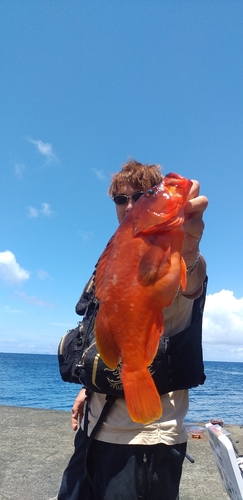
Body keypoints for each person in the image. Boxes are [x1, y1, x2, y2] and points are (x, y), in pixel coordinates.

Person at [58, 159, 208, 500]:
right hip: (93, 431)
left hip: (145, 441)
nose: (129, 205)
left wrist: (190, 249)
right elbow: (104, 335)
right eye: (120, 199)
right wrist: (89, 387)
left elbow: (190, 283)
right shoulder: (112, 259)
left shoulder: (173, 245)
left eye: (141, 195)